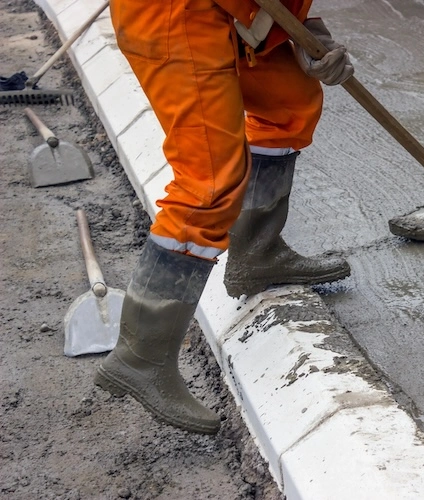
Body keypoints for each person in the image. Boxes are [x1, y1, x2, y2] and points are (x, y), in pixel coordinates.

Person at [93, 0, 354, 434]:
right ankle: (141, 357)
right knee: (210, 180)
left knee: (288, 103)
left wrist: (302, 27)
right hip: (174, 12)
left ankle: (256, 254)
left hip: (237, 9)